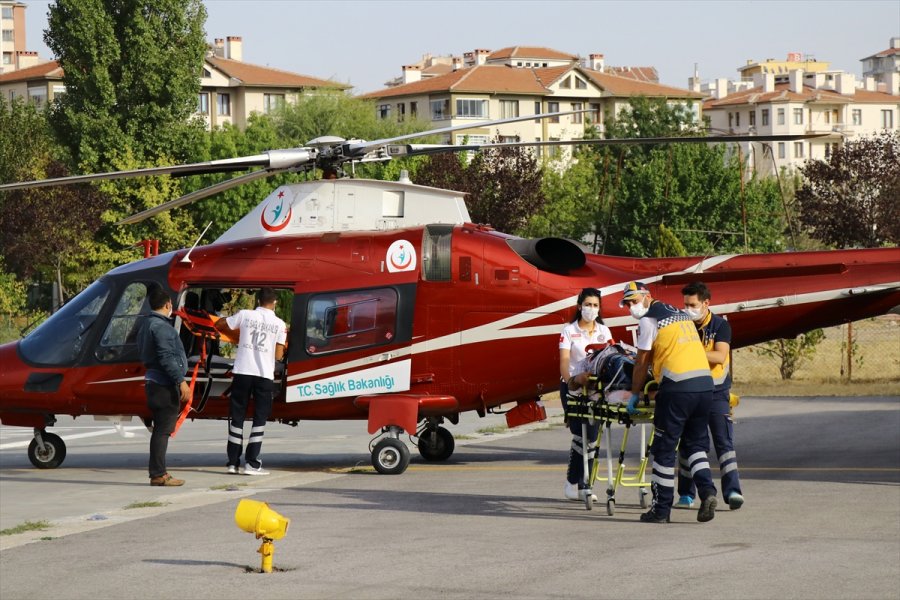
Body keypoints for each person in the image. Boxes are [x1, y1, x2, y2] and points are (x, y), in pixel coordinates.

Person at [619, 281, 717, 523]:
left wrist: (635, 393)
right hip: (705, 386)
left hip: (678, 389)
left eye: (634, 301)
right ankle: (707, 492)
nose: (632, 307)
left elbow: (642, 361)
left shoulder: (649, 320)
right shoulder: (680, 315)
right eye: (628, 303)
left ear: (647, 297)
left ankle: (661, 509)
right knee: (695, 446)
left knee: (663, 451)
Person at [676, 282, 744, 510]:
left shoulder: (720, 325)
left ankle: (733, 491)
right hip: (689, 391)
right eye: (685, 304)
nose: (688, 309)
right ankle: (686, 493)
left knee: (724, 442)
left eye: (692, 305)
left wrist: (689, 351)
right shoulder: (681, 325)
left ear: (706, 303)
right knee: (688, 444)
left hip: (716, 392)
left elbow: (719, 355)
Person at [215, 288, 287, 475]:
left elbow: (222, 325)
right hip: (264, 375)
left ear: (257, 300)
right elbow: (279, 355)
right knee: (259, 419)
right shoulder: (280, 325)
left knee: (237, 416)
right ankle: (252, 463)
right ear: (275, 303)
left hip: (242, 372)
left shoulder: (245, 315)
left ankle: (232, 463)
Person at [558, 288, 613, 501]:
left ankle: (584, 485)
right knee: (581, 435)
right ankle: (573, 482)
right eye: (588, 305)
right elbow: (564, 363)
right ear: (580, 306)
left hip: (594, 390)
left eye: (595, 305)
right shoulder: (568, 331)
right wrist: (572, 381)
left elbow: (609, 357)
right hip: (573, 388)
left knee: (592, 438)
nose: (591, 309)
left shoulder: (604, 331)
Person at [137, 286, 190, 486]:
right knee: (162, 430)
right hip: (163, 384)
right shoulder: (161, 327)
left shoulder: (146, 324)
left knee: (160, 429)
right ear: (168, 304)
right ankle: (159, 474)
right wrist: (181, 381)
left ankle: (159, 473)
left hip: (153, 380)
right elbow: (166, 357)